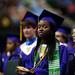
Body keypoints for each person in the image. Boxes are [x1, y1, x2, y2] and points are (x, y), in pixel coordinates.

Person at [38, 9, 64, 75]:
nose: (40, 29)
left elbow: (62, 71)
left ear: (52, 30)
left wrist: (36, 72)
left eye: (45, 27)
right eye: (39, 27)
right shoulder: (36, 49)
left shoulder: (61, 48)